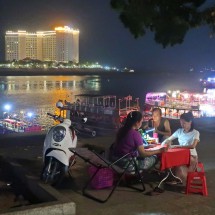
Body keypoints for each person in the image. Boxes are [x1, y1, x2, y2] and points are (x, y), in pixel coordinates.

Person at [161, 111, 200, 185]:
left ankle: (181, 180)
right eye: (181, 123)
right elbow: (169, 139)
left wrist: (177, 146)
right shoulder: (179, 131)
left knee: (177, 162)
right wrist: (166, 142)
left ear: (190, 122)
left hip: (191, 156)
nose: (182, 125)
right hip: (181, 154)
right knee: (171, 159)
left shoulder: (196, 133)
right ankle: (176, 178)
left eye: (184, 123)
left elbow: (193, 146)